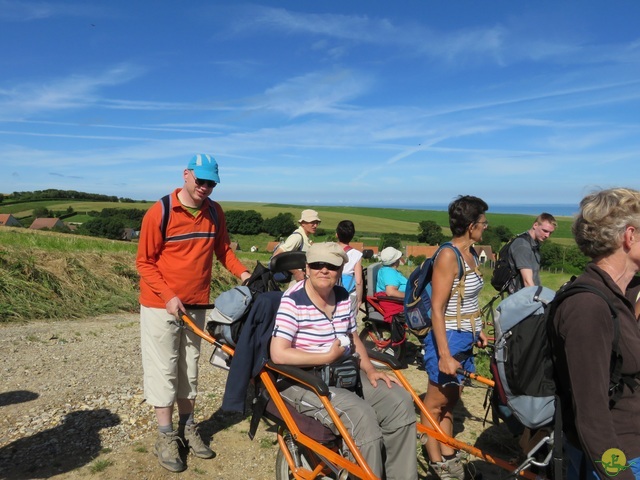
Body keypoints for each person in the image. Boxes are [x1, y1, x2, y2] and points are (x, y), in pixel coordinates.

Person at [136, 153, 251, 472]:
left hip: (198, 304)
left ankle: (187, 428)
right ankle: (165, 435)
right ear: (186, 175)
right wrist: (169, 295)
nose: (205, 188)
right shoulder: (159, 212)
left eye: (211, 183)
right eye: (201, 181)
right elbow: (144, 262)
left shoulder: (215, 212)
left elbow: (224, 250)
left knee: (190, 368)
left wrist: (244, 275)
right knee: (164, 369)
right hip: (161, 305)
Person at [271, 242, 418, 480]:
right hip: (303, 378)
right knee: (361, 417)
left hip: (342, 372)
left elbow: (351, 336)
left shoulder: (342, 297)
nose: (324, 270)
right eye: (317, 264)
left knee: (399, 401)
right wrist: (325, 357)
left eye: (331, 265)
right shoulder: (293, 300)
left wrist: (370, 369)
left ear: (340, 270)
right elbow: (279, 354)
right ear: (307, 268)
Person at [549, 188, 640, 480]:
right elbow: (592, 418)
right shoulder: (588, 307)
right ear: (630, 236)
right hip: (617, 459)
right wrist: (620, 475)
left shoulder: (619, 297)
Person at [420, 196, 489, 480]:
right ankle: (437, 463)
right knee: (434, 404)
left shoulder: (470, 253)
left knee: (450, 401)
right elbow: (437, 308)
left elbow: (467, 299)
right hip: (447, 338)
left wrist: (479, 329)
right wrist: (445, 354)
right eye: (484, 222)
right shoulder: (449, 255)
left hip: (465, 337)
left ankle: (447, 452)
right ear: (471, 225)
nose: (486, 227)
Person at [507, 212, 557, 292]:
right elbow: (528, 282)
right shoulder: (523, 246)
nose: (547, 235)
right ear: (535, 225)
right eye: (545, 231)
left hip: (527, 295)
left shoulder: (533, 244)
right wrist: (537, 300)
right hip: (521, 297)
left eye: (550, 233)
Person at [272, 209, 321, 283]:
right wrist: (296, 272)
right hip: (296, 280)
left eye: (317, 223)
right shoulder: (297, 237)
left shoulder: (305, 237)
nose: (315, 225)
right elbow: (277, 255)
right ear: (303, 223)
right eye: (312, 222)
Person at [336, 220, 363, 314]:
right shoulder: (356, 254)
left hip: (330, 293)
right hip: (348, 294)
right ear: (352, 236)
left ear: (337, 234)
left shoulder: (329, 249)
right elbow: (358, 281)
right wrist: (359, 300)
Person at [375, 246, 408, 322]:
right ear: (395, 261)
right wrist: (409, 296)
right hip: (399, 302)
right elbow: (390, 292)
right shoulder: (389, 273)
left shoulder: (388, 270)